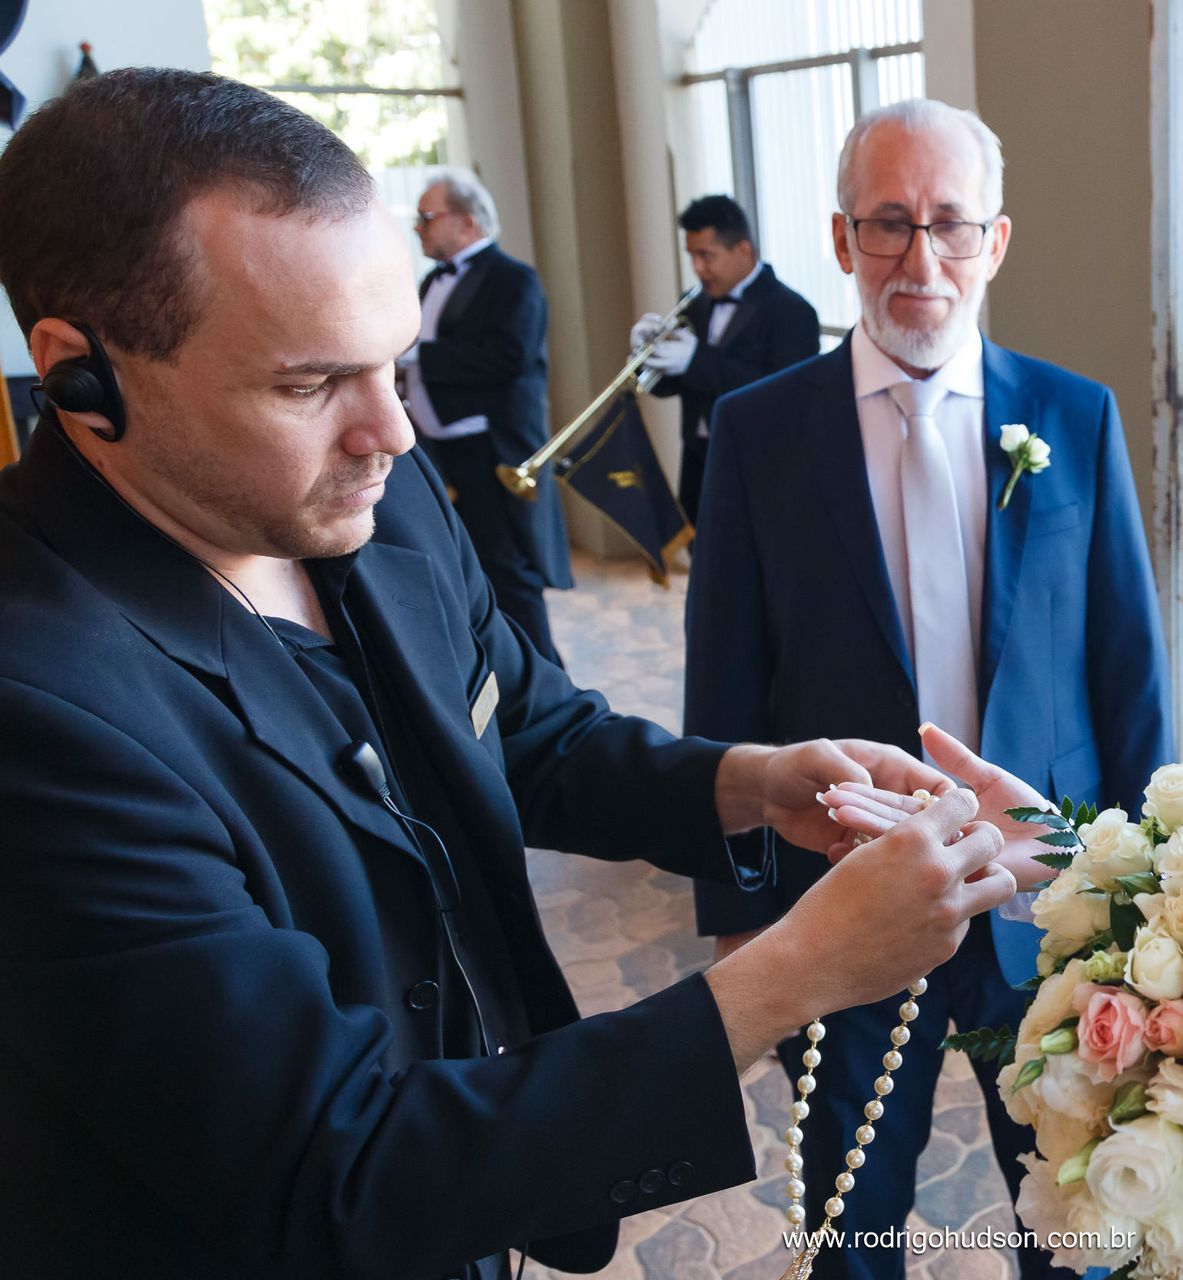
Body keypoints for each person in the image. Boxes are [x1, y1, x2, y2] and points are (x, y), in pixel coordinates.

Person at [0, 68, 1017, 1279]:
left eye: (393, 361)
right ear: (81, 374)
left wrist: (751, 780)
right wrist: (792, 972)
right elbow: (338, 1169)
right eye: (309, 382)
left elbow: (529, 727)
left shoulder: (384, 497)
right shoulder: (38, 711)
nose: (393, 431)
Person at [683, 99, 1173, 1279]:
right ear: (843, 239)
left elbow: (1126, 667)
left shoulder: (1074, 414)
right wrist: (741, 915)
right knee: (850, 1217)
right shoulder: (757, 432)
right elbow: (724, 688)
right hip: (841, 893)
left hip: (1041, 896)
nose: (921, 259)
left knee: (1079, 1216)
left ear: (995, 242)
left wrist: (1145, 890)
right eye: (890, 223)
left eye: (950, 225)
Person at [398, 167, 571, 665]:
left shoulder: (512, 279)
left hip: (489, 450)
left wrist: (418, 357)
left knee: (510, 575)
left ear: (467, 222)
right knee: (463, 574)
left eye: (427, 217)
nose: (418, 227)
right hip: (438, 449)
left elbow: (510, 356)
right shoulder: (433, 278)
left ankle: (546, 681)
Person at [632, 193, 820, 524]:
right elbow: (669, 386)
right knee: (700, 560)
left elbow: (783, 396)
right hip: (698, 461)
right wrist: (647, 359)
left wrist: (695, 359)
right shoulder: (694, 303)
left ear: (743, 250)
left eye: (707, 256)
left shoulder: (792, 311)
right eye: (692, 256)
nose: (698, 269)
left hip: (759, 465)